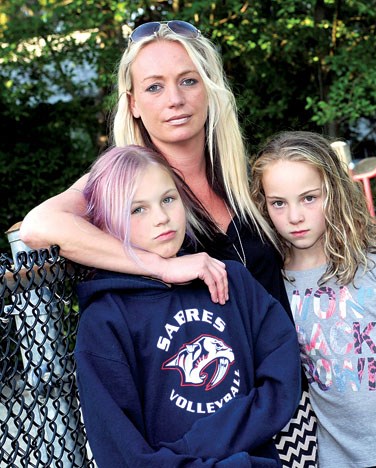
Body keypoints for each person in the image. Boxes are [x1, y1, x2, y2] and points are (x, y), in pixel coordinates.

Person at [20, 20, 317, 466]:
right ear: (133, 103)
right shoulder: (125, 185)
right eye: (154, 87)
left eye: (188, 81)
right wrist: (158, 265)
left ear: (210, 88)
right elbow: (39, 225)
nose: (175, 99)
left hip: (288, 404)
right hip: (201, 438)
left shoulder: (244, 178)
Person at [75, 144, 301, 467]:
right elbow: (122, 452)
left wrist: (199, 443)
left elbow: (282, 367)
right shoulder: (105, 320)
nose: (162, 218)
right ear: (107, 223)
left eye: (168, 199)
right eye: (137, 210)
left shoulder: (227, 277)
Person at [251, 131, 376, 468]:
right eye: (279, 203)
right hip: (338, 455)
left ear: (334, 192)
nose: (295, 216)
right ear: (263, 204)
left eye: (309, 198)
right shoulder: (273, 282)